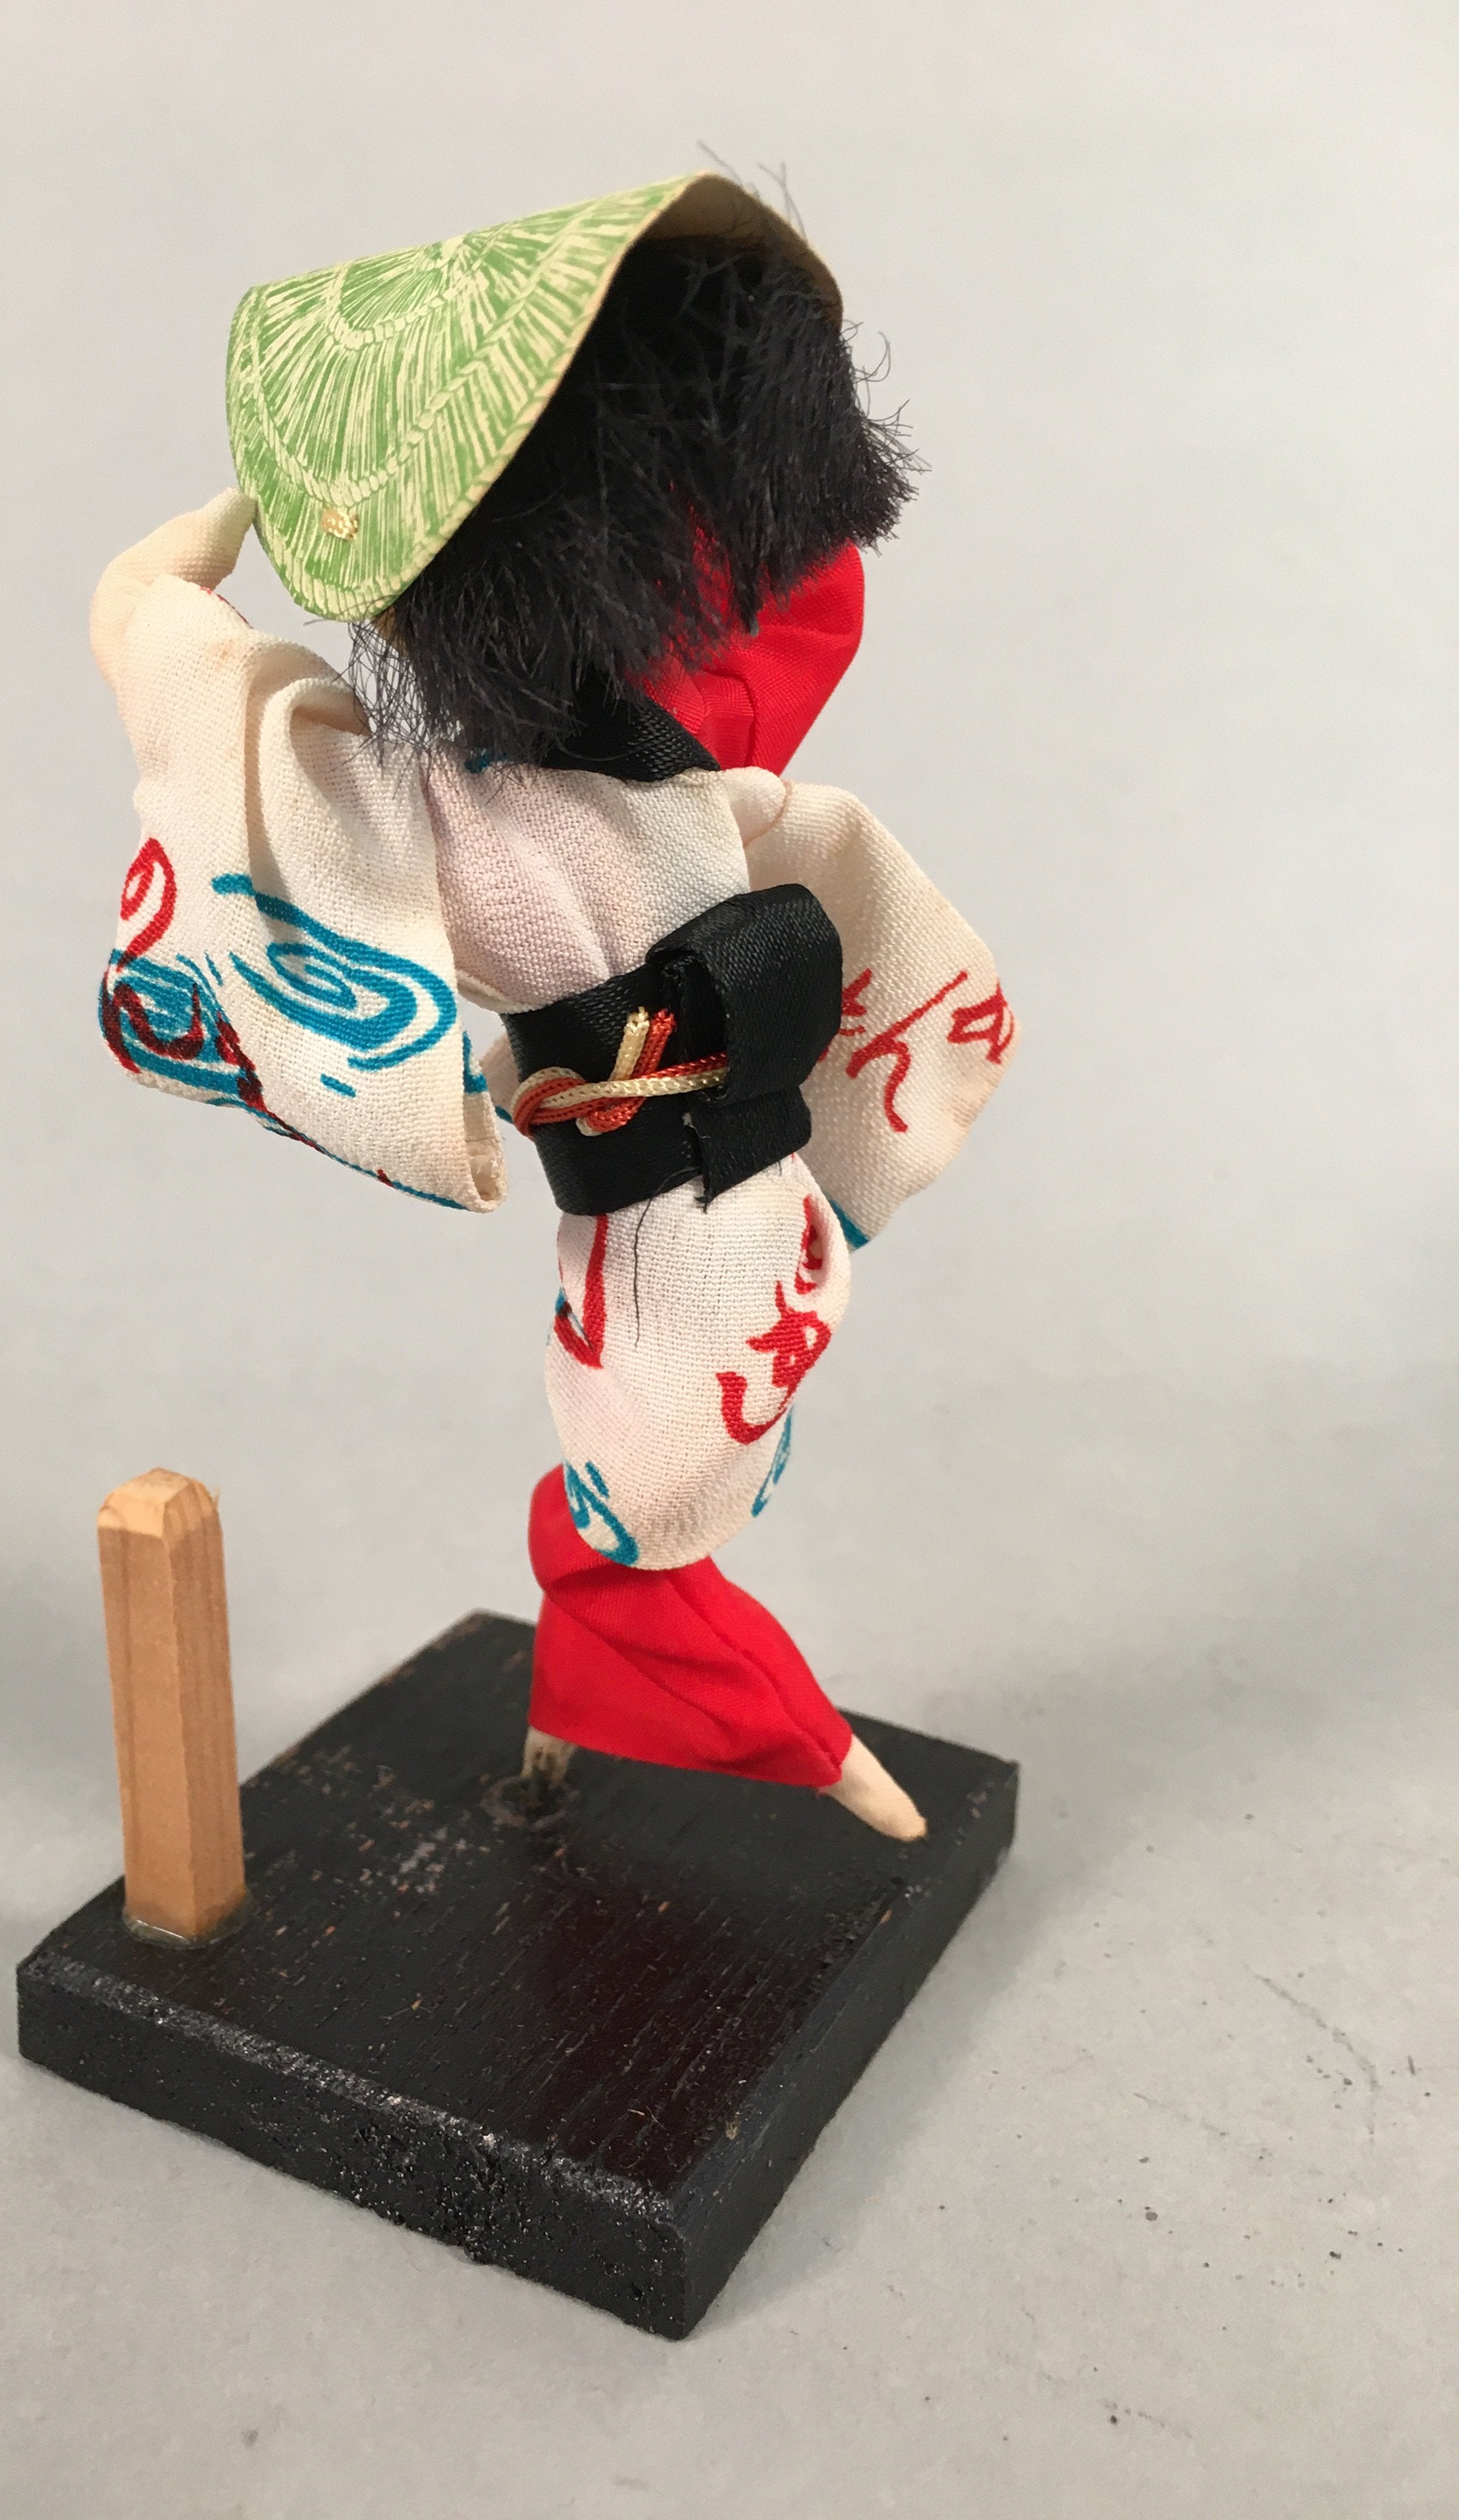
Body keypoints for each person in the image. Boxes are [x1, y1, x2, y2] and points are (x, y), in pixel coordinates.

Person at [91, 175, 1016, 1839]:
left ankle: (624, 1686)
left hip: (740, 1187)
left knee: (666, 1477)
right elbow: (282, 767)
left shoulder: (647, 781)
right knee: (644, 1488)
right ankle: (676, 1687)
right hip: (672, 1208)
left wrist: (151, 615)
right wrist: (151, 621)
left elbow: (796, 705)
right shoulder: (518, 808)